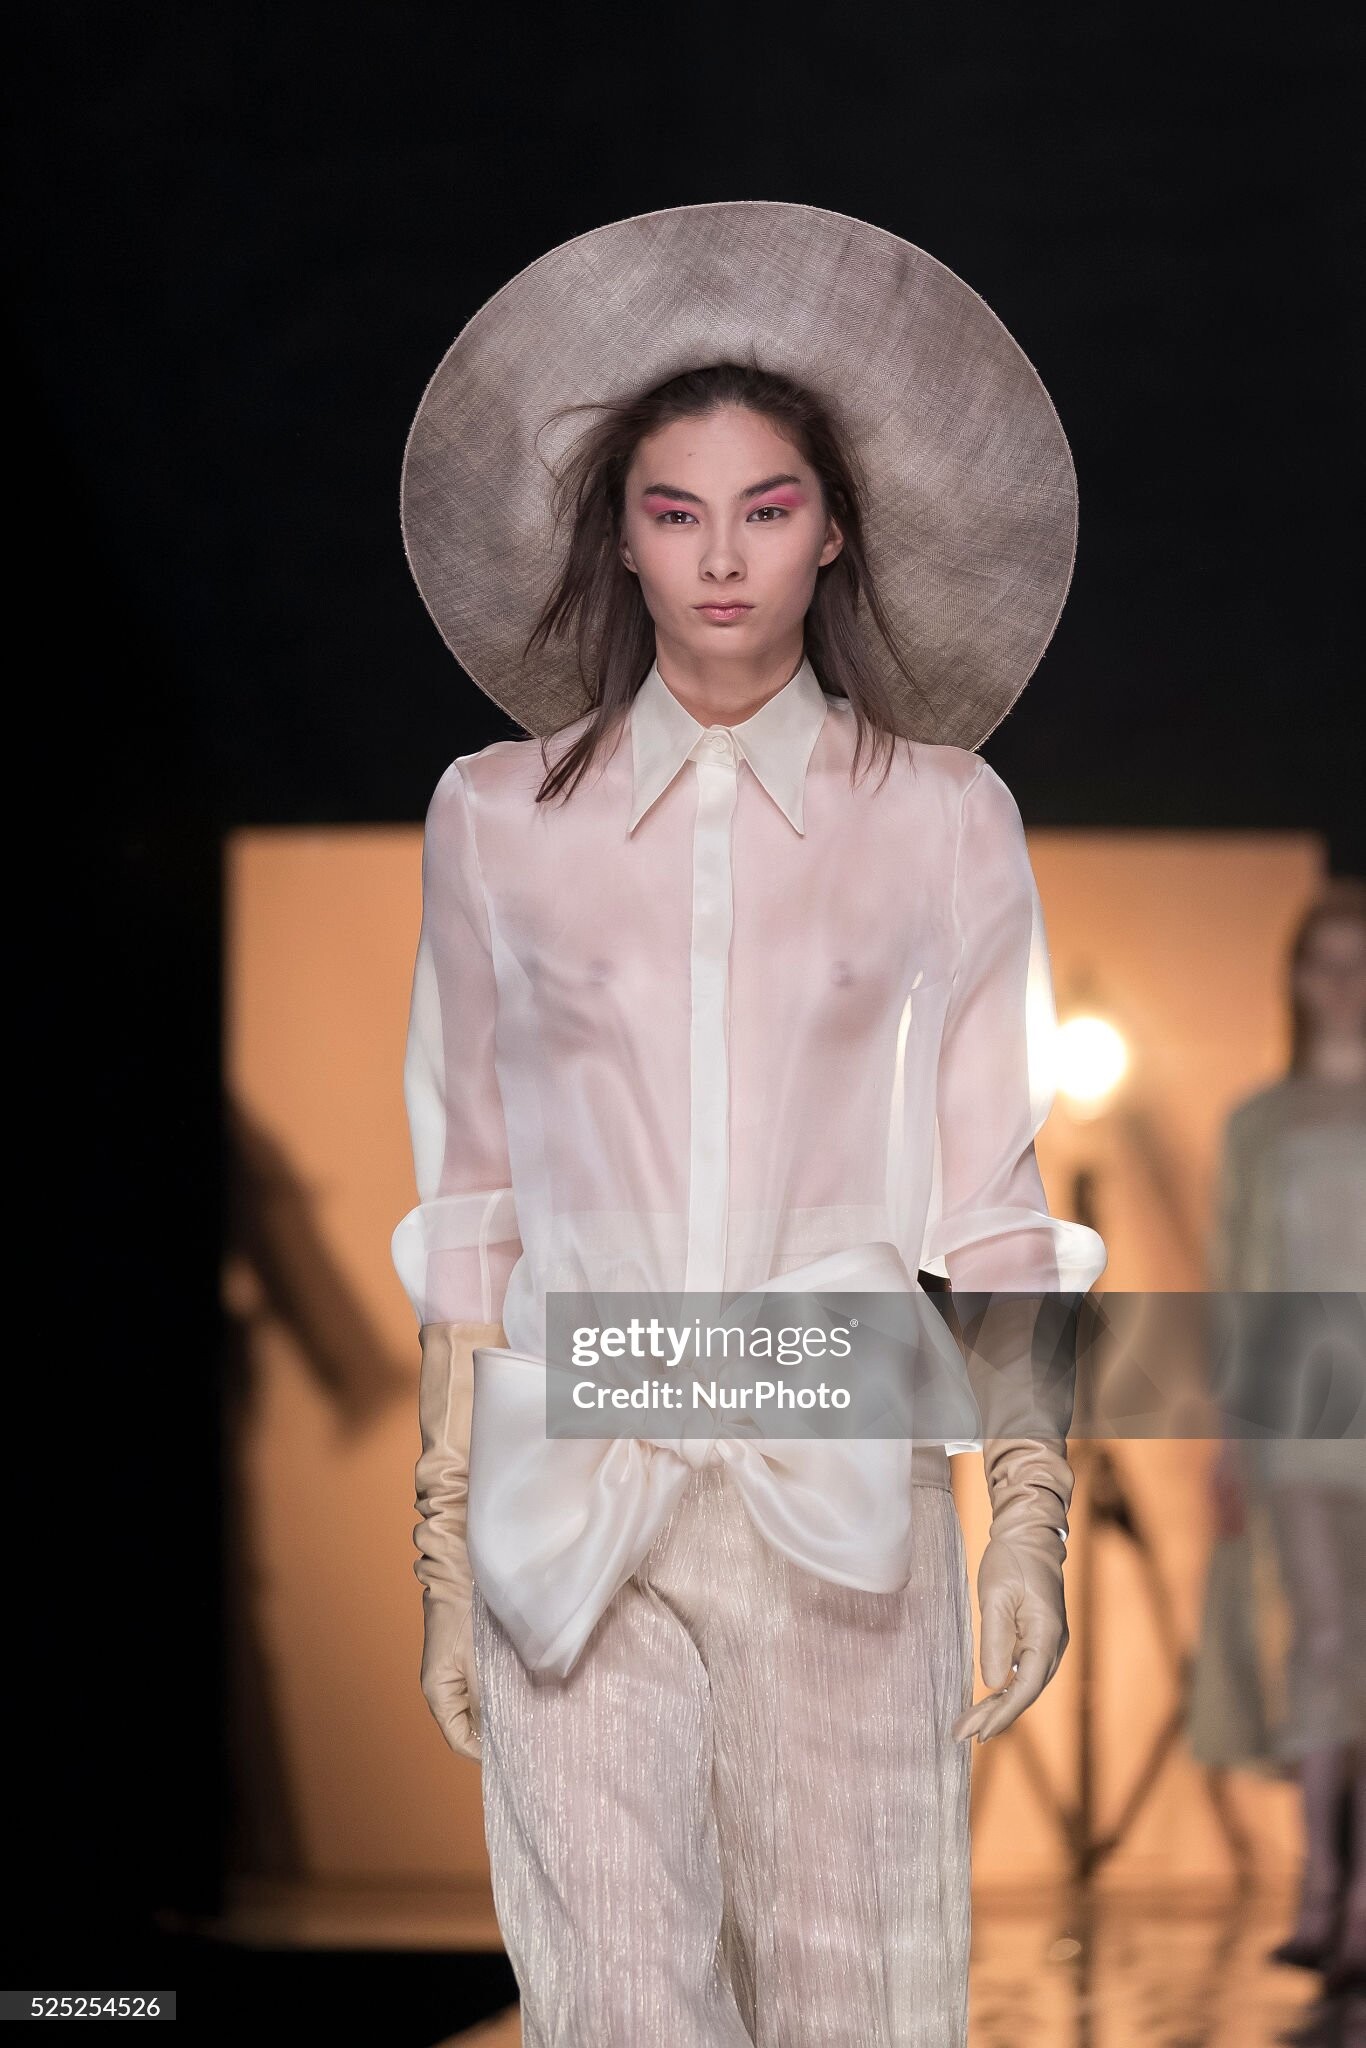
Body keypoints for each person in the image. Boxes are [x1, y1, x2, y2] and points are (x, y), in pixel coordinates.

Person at [390, 202, 1108, 2047]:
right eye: (674, 510)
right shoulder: (492, 819)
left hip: (841, 1497)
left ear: (834, 527)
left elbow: (994, 1201)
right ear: (618, 536)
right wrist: (442, 1547)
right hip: (575, 1490)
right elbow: (471, 1196)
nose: (721, 556)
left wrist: (1026, 1521)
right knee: (613, 2007)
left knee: (855, 2005)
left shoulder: (943, 815)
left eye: (766, 507)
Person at [1194, 880, 1366, 1998]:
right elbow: (1235, 1284)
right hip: (1302, 1412)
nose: (1342, 983)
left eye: (1359, 960)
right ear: (1297, 977)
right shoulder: (1258, 1124)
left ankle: (1359, 1901)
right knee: (1322, 1634)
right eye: (1325, 960)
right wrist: (1225, 1434)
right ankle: (1319, 1884)